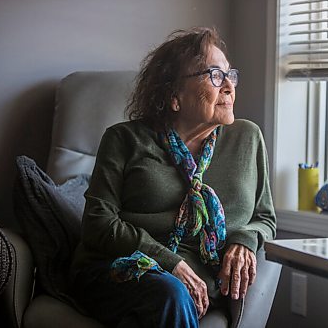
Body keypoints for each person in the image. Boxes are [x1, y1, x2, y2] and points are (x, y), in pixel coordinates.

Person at [70, 27, 276, 328]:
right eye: (214, 75)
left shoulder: (247, 138)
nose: (229, 86)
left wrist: (245, 240)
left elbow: (265, 218)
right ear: (174, 95)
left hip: (204, 282)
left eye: (230, 75)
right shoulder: (124, 139)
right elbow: (98, 223)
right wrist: (169, 262)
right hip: (123, 271)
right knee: (170, 294)